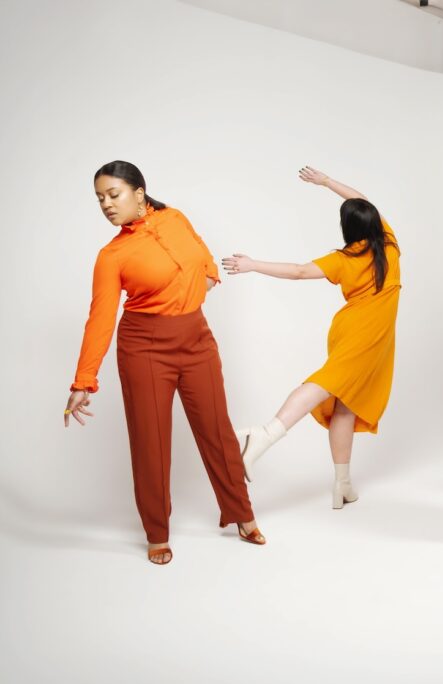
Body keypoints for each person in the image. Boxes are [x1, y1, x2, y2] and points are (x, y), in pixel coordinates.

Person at [65, 161, 264, 565]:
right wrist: (83, 381)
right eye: (100, 198)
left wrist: (203, 280)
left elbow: (205, 260)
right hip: (144, 347)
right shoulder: (112, 255)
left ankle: (241, 513)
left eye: (113, 194)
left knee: (217, 431)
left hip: (197, 339)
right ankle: (157, 532)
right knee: (151, 442)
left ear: (139, 193)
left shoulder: (175, 218)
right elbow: (101, 318)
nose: (105, 204)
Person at [224, 167, 400, 510]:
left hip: (362, 333)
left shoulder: (345, 258)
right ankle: (263, 435)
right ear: (374, 222)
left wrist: (253, 263)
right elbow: (362, 202)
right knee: (326, 384)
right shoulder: (389, 243)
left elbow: (300, 270)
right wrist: (328, 183)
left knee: (345, 407)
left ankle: (342, 483)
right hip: (365, 335)